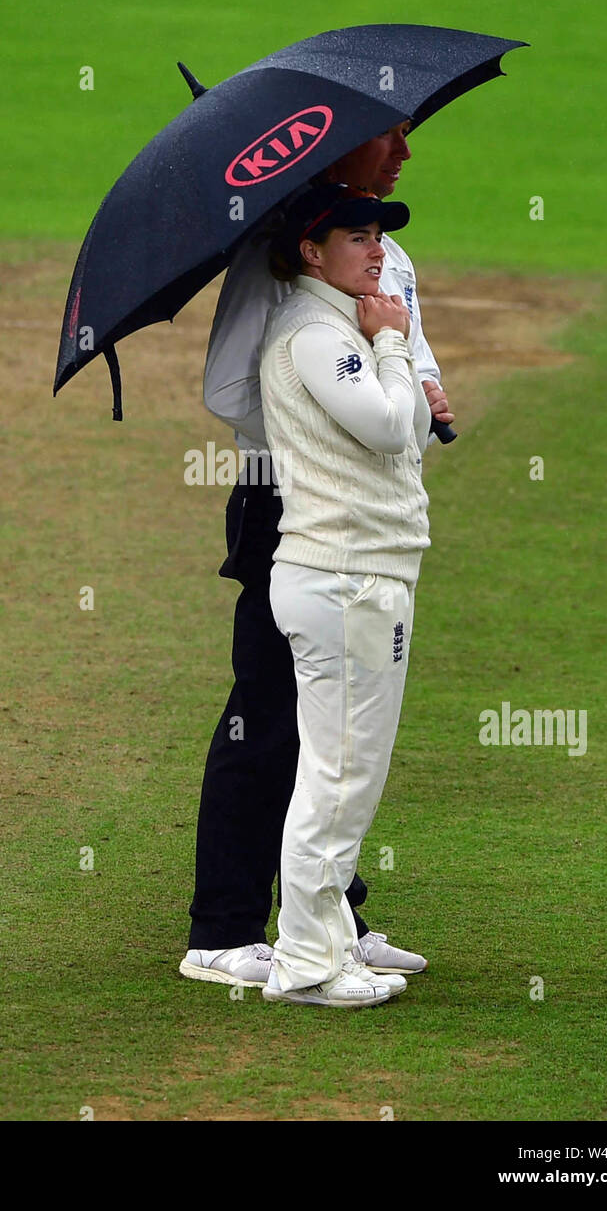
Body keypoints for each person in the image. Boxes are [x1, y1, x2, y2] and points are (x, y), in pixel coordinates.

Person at [180, 123, 453, 990]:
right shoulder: (271, 259)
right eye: (390, 141)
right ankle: (223, 929)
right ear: (332, 152)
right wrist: (320, 428)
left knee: (337, 728)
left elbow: (400, 354)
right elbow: (232, 385)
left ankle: (332, 918)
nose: (405, 155)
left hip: (367, 508)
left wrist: (413, 377)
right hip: (290, 505)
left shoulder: (382, 249)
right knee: (269, 712)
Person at [258, 184, 431, 1006]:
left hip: (358, 575)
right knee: (337, 776)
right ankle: (305, 962)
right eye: (356, 237)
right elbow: (388, 427)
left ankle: (327, 948)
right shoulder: (317, 332)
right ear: (310, 251)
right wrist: (394, 344)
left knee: (345, 775)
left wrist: (391, 355)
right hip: (344, 579)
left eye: (377, 236)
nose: (376, 251)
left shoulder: (336, 327)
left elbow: (399, 429)